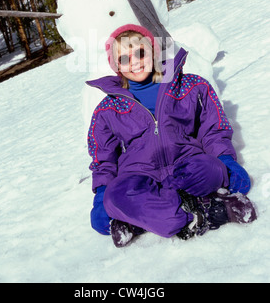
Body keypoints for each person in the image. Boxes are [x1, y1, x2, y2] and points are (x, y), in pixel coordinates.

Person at [86, 24, 256, 247]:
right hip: (139, 174)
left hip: (187, 164)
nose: (134, 62)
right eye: (124, 58)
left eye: (140, 52)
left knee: (211, 168)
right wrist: (102, 195)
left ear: (154, 52)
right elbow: (103, 159)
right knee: (115, 197)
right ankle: (210, 210)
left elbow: (213, 129)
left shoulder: (191, 86)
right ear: (117, 66)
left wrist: (225, 160)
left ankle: (142, 220)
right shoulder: (108, 109)